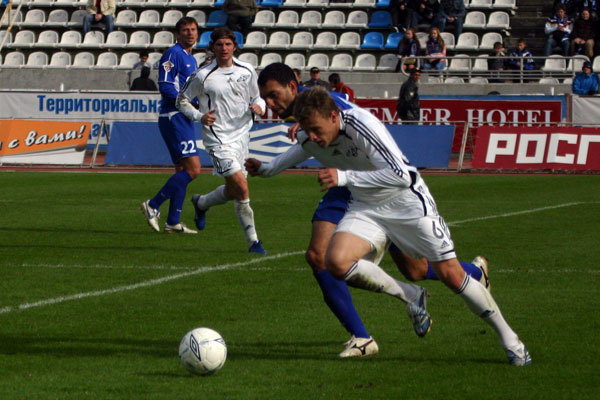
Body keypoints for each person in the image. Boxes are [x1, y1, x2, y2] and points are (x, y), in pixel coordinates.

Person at [250, 63, 491, 357]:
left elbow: (341, 109)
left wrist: (305, 126)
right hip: (344, 183)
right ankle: (361, 337)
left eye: (273, 95)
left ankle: (471, 273)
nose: (270, 104)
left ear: (292, 87)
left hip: (374, 181)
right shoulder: (299, 117)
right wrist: (268, 168)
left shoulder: (317, 99)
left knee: (414, 270)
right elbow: (306, 146)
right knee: (318, 256)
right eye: (266, 98)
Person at [289, 87, 531, 366]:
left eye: (316, 129)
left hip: (408, 205)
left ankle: (511, 341)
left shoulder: (362, 124)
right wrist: (266, 168)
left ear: (333, 116)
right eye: (308, 130)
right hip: (368, 206)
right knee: (336, 261)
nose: (313, 136)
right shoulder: (316, 133)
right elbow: (302, 146)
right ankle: (411, 295)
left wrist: (343, 177)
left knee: (451, 275)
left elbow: (402, 176)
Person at [177, 27, 268, 254]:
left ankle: (201, 203)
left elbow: (258, 97)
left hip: (242, 136)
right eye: (219, 44)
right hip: (217, 138)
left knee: (235, 188)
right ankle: (254, 242)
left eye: (228, 44)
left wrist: (260, 107)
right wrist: (199, 116)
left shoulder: (247, 70)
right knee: (242, 188)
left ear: (235, 46)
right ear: (213, 47)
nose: (224, 48)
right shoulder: (203, 75)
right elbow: (181, 100)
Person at [140, 17, 200, 234]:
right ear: (178, 34)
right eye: (185, 30)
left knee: (182, 170)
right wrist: (187, 104)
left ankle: (173, 221)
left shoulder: (191, 58)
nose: (190, 33)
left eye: (193, 29)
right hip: (174, 116)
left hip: (182, 116)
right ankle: (153, 204)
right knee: (193, 170)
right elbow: (165, 85)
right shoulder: (173, 54)